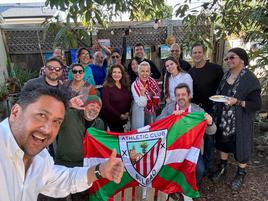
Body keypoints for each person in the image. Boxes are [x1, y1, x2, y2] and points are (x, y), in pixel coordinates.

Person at [0, 86, 124, 201]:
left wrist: (100, 170)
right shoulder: (71, 116)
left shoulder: (42, 159)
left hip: (81, 165)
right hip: (64, 160)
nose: (47, 129)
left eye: (56, 121)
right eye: (41, 115)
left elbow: (62, 179)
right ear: (15, 112)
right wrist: (69, 105)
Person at [212, 47, 262, 191]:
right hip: (224, 119)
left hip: (241, 121)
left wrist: (238, 102)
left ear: (242, 59)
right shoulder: (226, 75)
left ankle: (240, 173)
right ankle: (223, 167)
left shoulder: (250, 79)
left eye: (232, 57)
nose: (228, 60)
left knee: (241, 147)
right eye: (226, 58)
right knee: (222, 143)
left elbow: (256, 104)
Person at [157, 83, 216, 201]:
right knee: (163, 167)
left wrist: (210, 122)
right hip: (172, 149)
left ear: (189, 95)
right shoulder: (170, 108)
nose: (180, 97)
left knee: (199, 169)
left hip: (191, 150)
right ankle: (172, 188)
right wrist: (170, 118)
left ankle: (187, 188)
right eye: (178, 95)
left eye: (183, 94)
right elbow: (158, 123)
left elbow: (212, 131)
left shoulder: (197, 110)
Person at [188, 43, 223, 173]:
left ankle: (209, 164)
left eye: (199, 52)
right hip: (196, 110)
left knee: (209, 137)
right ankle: (198, 164)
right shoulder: (190, 72)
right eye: (194, 52)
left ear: (204, 53)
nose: (197, 55)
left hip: (211, 109)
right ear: (191, 55)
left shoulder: (215, 69)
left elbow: (222, 88)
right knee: (197, 137)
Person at [101, 64, 132, 132]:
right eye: (114, 72)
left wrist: (127, 113)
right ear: (110, 74)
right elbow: (106, 105)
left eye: (119, 72)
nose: (116, 74)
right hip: (113, 120)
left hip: (125, 119)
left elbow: (129, 100)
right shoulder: (106, 87)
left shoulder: (125, 86)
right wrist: (120, 115)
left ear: (122, 74)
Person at [131, 61, 160, 130]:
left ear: (150, 72)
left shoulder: (153, 82)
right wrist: (142, 94)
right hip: (140, 111)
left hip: (151, 111)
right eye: (142, 71)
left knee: (151, 130)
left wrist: (155, 103)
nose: (145, 74)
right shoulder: (134, 85)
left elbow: (157, 95)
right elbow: (141, 104)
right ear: (138, 73)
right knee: (140, 131)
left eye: (147, 71)